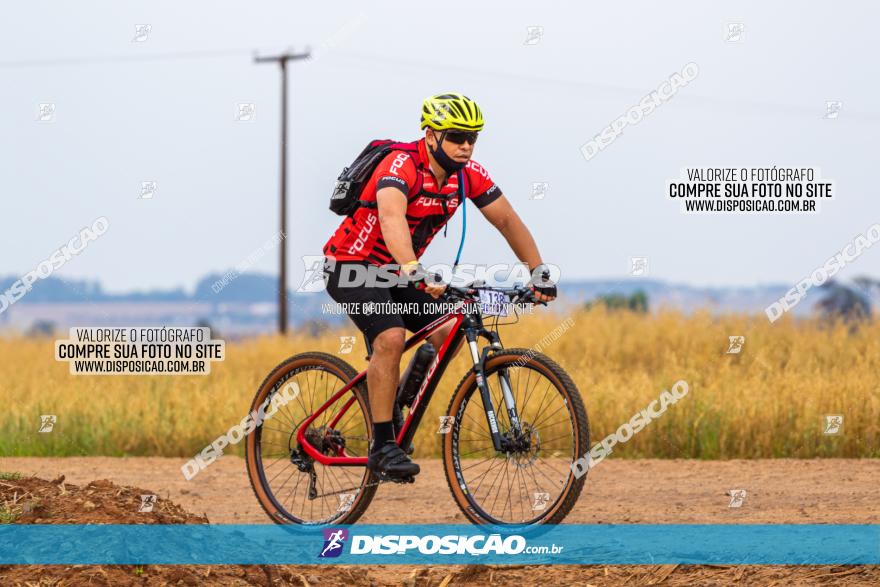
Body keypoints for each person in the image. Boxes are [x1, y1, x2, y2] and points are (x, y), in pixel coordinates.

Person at [322, 92, 556, 480]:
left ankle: (391, 405)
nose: (465, 146)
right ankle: (382, 446)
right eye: (456, 137)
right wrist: (414, 269)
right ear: (431, 135)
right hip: (352, 266)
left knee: (448, 331)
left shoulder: (469, 174)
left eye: (472, 138)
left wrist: (538, 272)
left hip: (398, 271)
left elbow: (507, 220)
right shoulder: (401, 165)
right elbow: (392, 218)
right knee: (392, 337)